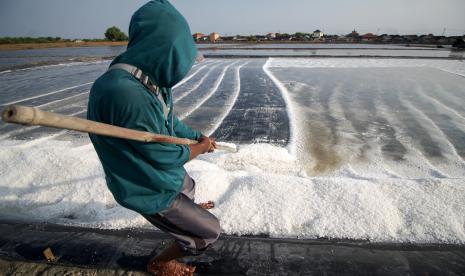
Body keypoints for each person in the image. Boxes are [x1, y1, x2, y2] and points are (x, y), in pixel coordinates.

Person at [87, 1, 220, 275]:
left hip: (157, 173)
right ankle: (160, 262)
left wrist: (197, 137)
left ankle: (186, 214)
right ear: (166, 50)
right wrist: (200, 147)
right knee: (208, 232)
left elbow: (168, 122)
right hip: (145, 185)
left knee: (188, 183)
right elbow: (164, 156)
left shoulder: (147, 79)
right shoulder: (127, 94)